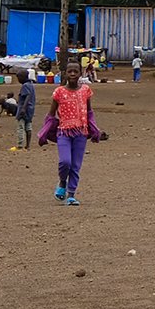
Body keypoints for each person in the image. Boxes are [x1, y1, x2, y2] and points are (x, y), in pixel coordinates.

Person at [48, 66, 94, 205]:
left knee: (75, 165)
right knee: (65, 162)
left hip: (81, 132)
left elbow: (89, 112)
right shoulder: (59, 92)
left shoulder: (85, 90)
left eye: (76, 71)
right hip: (63, 132)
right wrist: (45, 133)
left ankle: (71, 195)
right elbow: (51, 115)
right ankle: (62, 182)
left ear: (80, 73)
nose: (73, 74)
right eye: (70, 71)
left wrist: (95, 130)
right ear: (65, 74)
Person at [12, 70, 36, 151]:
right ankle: (28, 145)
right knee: (28, 127)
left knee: (21, 127)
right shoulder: (31, 85)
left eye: (18, 78)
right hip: (30, 109)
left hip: (24, 109)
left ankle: (20, 145)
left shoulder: (25, 86)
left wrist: (23, 108)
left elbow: (27, 96)